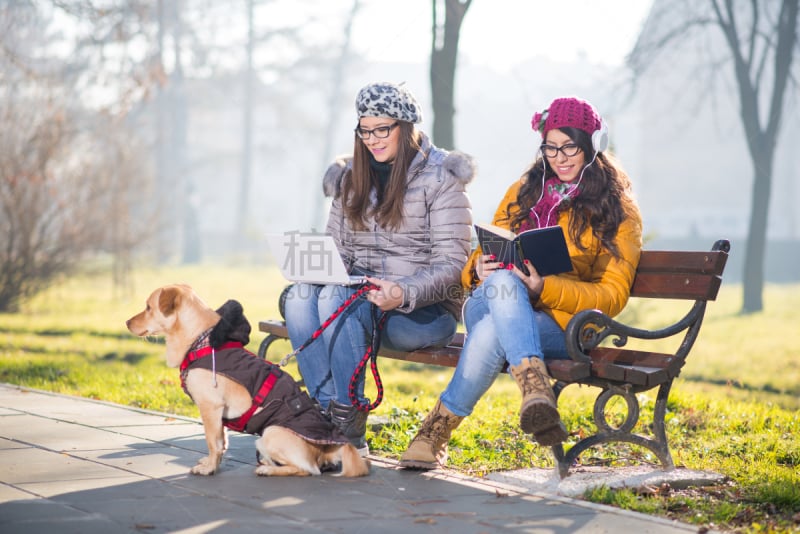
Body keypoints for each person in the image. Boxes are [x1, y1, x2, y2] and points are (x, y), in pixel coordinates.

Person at [399, 96, 643, 469]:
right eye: (550, 147)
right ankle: (534, 386)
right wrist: (478, 267)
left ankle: (433, 434)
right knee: (504, 282)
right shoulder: (523, 190)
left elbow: (612, 295)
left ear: (594, 145)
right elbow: (487, 246)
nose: (559, 157)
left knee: (493, 333)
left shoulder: (618, 209)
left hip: (561, 322)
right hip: (492, 298)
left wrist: (545, 288)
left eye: (569, 147)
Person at [283, 81, 475, 455]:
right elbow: (335, 252)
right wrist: (315, 266)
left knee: (338, 299)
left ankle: (343, 424)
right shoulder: (350, 177)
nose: (372, 139)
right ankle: (333, 417)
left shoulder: (441, 177)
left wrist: (402, 292)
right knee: (300, 296)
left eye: (382, 129)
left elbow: (453, 265)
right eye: (365, 130)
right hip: (357, 302)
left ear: (406, 127)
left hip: (419, 312)